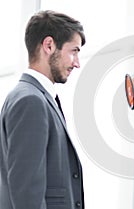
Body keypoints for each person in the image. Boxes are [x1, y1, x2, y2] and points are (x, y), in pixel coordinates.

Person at [0, 10, 86, 209]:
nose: (77, 63)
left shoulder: (35, 97)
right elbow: (27, 192)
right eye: (73, 51)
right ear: (49, 45)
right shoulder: (30, 100)